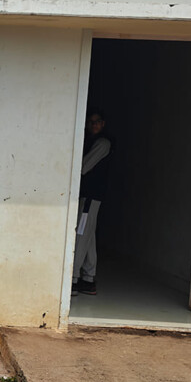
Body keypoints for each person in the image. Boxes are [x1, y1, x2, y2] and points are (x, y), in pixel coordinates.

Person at [73, 111, 111, 296]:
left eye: (97, 122)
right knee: (88, 236)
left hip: (90, 197)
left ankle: (73, 278)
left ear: (103, 124)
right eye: (90, 122)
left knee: (81, 233)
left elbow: (83, 167)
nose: (93, 125)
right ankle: (88, 278)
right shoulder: (93, 141)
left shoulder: (102, 143)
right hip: (89, 196)